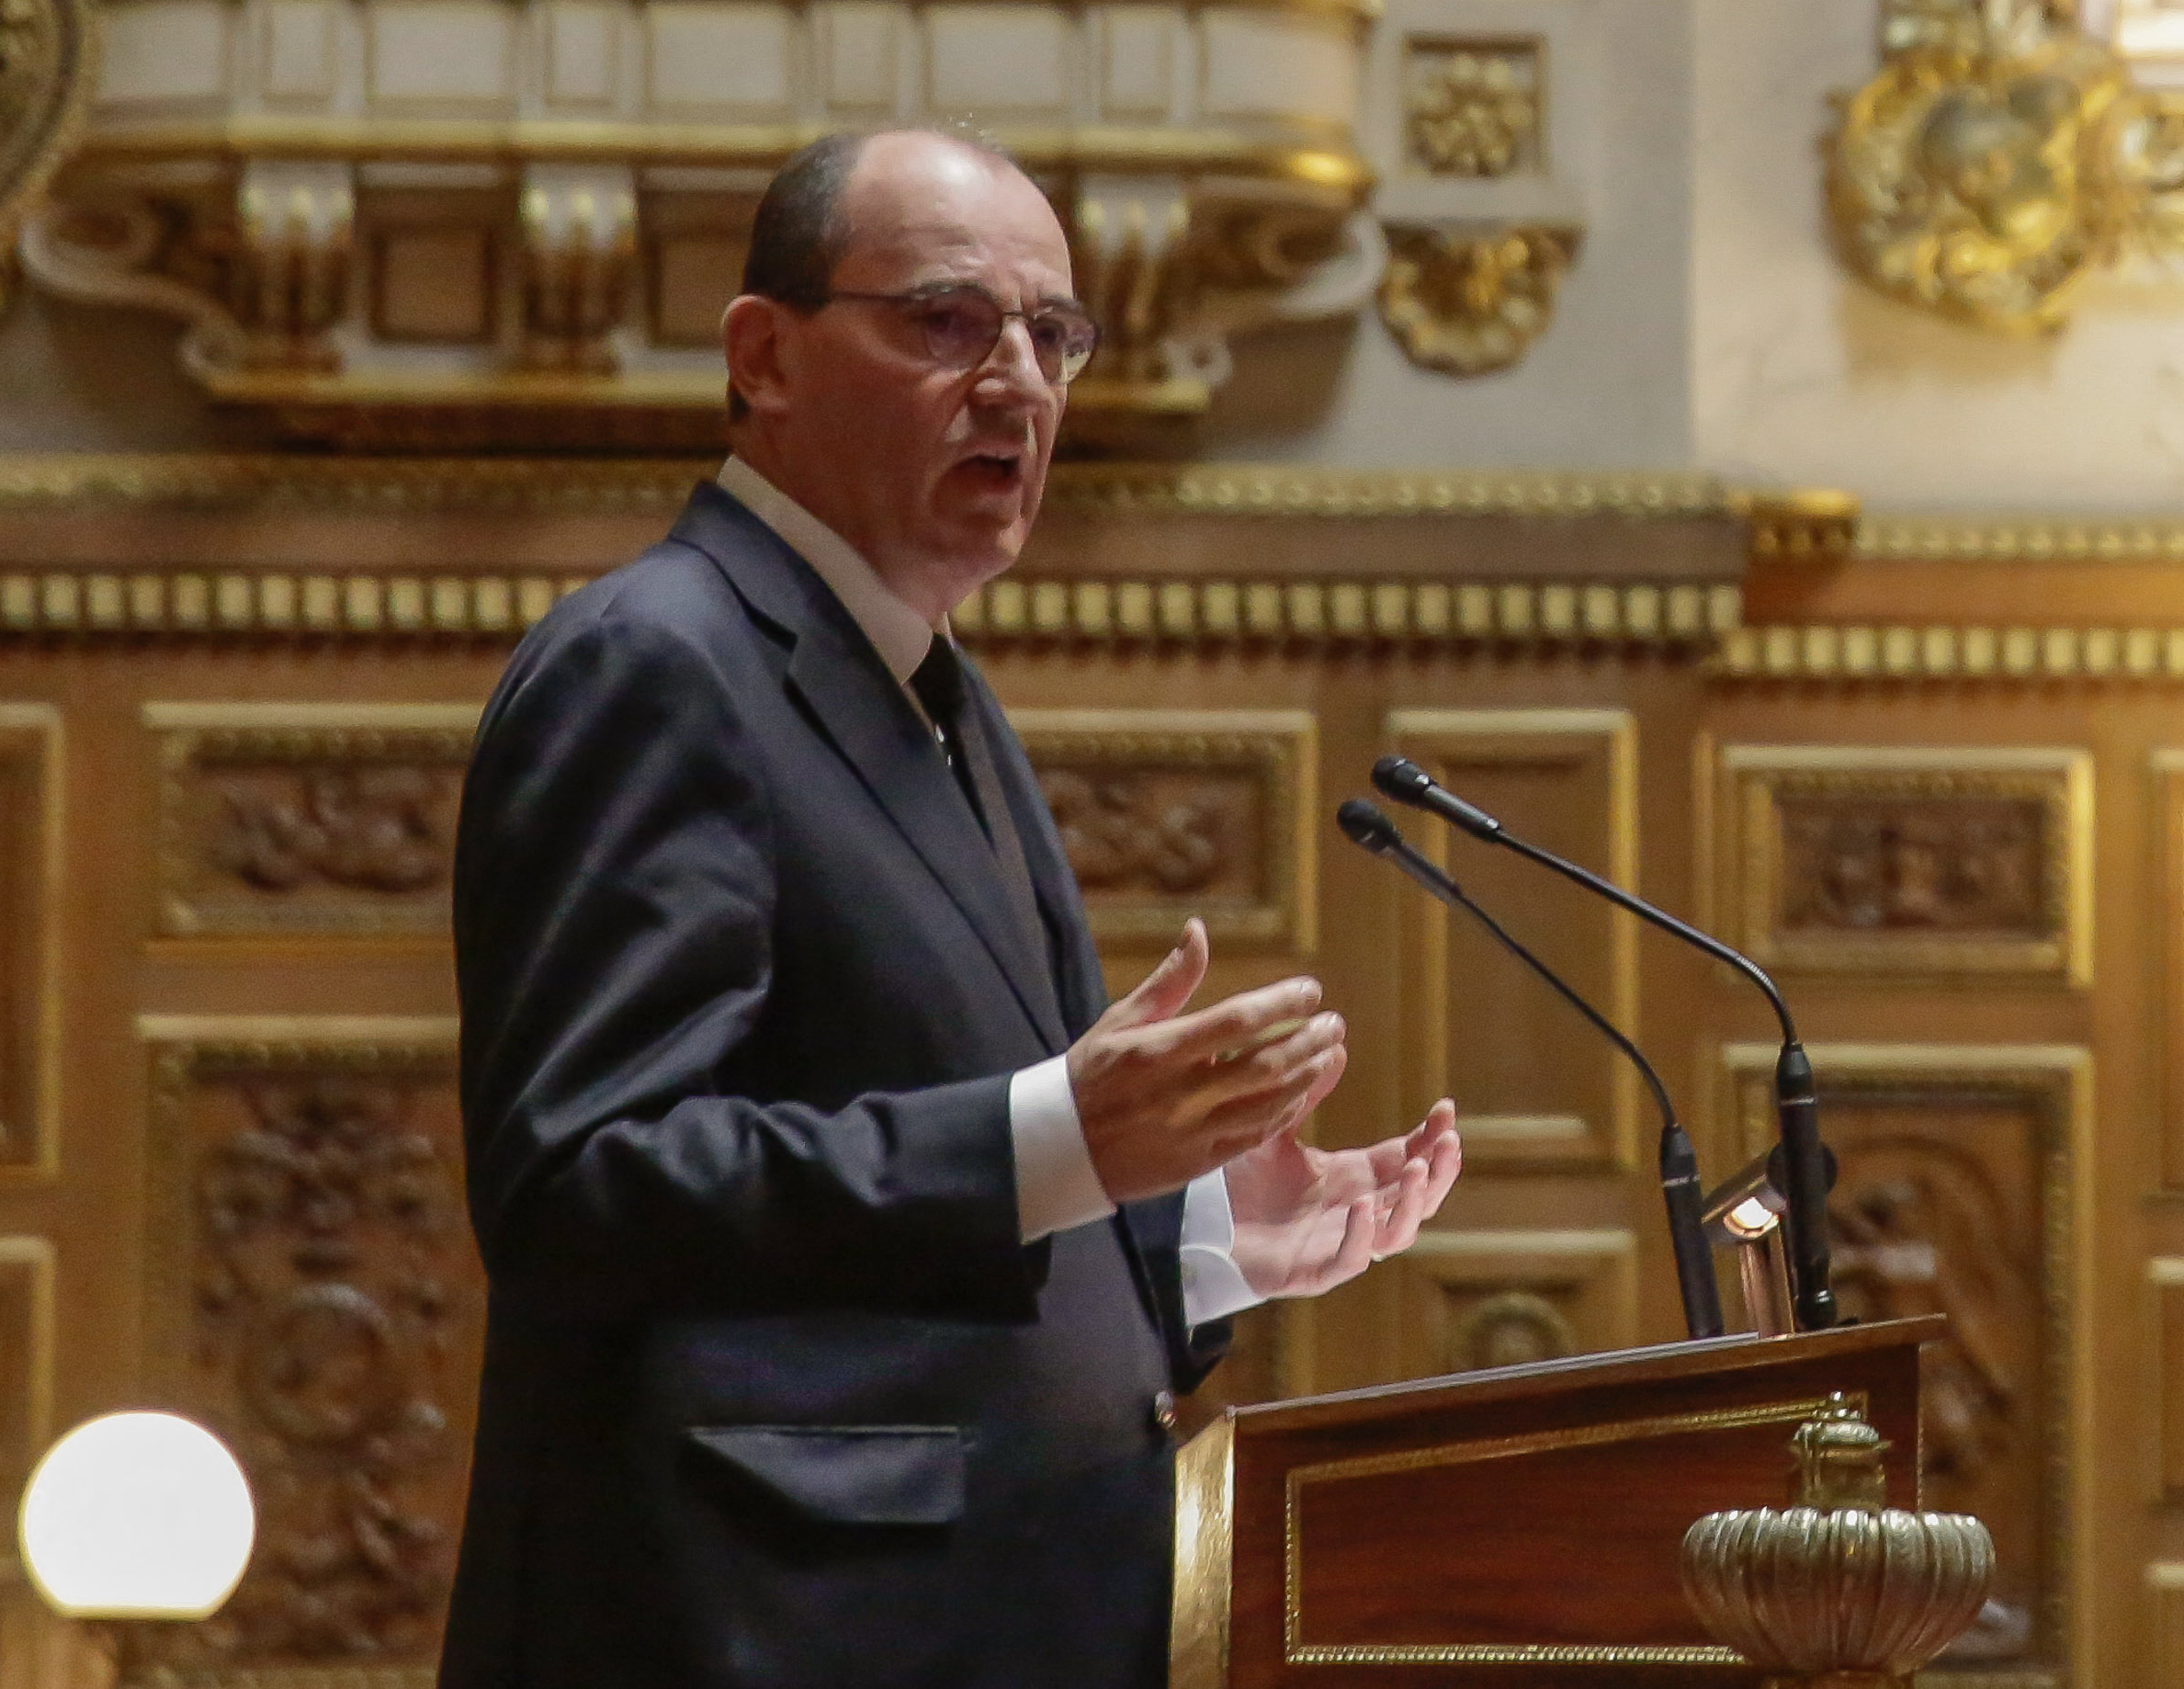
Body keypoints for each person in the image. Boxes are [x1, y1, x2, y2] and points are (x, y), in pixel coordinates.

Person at [442, 126, 1458, 1689]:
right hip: (752, 1629)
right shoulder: (660, 661)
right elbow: (586, 1181)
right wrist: (1060, 1138)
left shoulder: (932, 687)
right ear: (764, 355)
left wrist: (1184, 1230)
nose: (1019, 382)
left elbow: (956, 1186)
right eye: (944, 322)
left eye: (1052, 335)